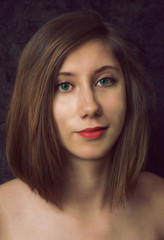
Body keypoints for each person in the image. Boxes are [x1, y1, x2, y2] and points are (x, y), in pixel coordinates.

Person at [0, 11, 163, 239]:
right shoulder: (3, 214)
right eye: (64, 86)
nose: (90, 107)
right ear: (34, 102)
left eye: (104, 81)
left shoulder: (159, 202)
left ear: (127, 91)